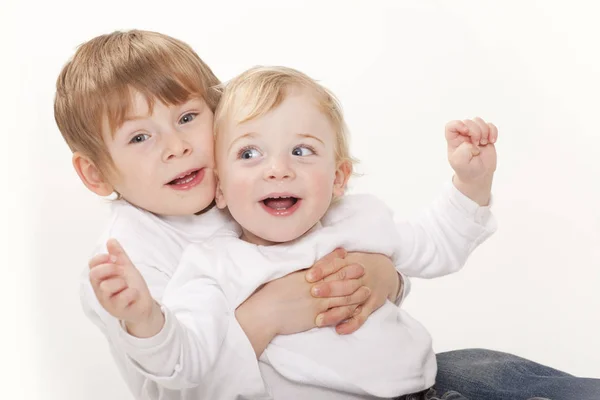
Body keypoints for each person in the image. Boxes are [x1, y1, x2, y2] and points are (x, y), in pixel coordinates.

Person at [56, 30, 600, 400]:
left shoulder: (259, 185)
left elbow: (407, 250)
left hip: (404, 378)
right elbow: (179, 376)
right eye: (140, 137)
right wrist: (264, 314)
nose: (176, 147)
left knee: (488, 367)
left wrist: (383, 273)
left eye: (188, 117)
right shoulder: (140, 263)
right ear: (98, 173)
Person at [96, 65, 498, 399]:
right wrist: (146, 318)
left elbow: (438, 244)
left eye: (301, 151)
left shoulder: (359, 220)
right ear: (220, 187)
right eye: (249, 154)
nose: (277, 169)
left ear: (338, 178)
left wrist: (471, 184)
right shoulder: (214, 266)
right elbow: (186, 361)